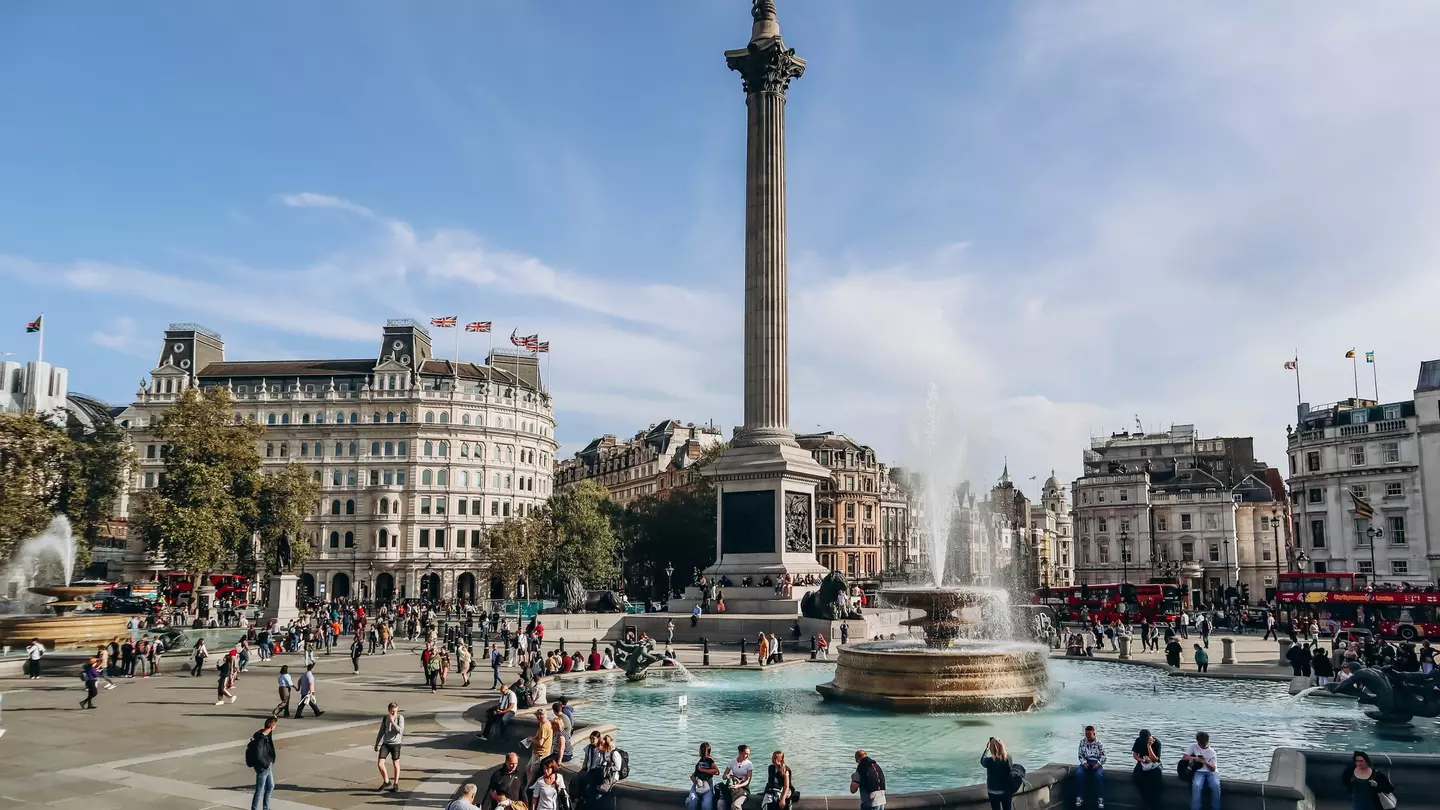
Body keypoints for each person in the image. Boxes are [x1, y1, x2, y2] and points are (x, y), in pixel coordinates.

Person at [246, 717, 278, 810]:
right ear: (272, 727)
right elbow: (259, 755)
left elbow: (267, 730)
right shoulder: (261, 740)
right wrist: (266, 764)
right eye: (275, 726)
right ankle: (254, 808)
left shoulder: (266, 734)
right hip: (263, 767)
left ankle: (266, 807)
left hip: (268, 765)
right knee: (260, 790)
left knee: (270, 786)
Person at [1183, 732, 1219, 810]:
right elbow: (1184, 757)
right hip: (1199, 771)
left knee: (1215, 786)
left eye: (1203, 743)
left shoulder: (1212, 752)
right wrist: (1195, 758)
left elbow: (1213, 768)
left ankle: (1215, 808)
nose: (1202, 745)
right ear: (1197, 741)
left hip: (1210, 772)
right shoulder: (1193, 747)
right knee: (1196, 785)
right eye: (1200, 743)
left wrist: (1205, 762)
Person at [375, 702, 404, 792]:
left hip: (396, 744)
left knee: (396, 763)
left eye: (395, 711)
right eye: (392, 711)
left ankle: (396, 783)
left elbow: (400, 730)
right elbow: (381, 731)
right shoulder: (385, 718)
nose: (393, 713)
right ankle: (386, 781)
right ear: (388, 710)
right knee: (380, 763)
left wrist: (393, 722)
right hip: (386, 743)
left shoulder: (400, 718)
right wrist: (377, 743)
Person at [1131, 730, 1164, 810]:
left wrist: (1149, 746)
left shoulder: (1157, 743)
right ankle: (1146, 800)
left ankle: (1154, 802)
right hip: (1142, 763)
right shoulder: (1138, 741)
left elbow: (1156, 759)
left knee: (1156, 778)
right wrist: (1142, 760)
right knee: (1137, 777)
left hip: (1153, 765)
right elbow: (1135, 755)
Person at [1075, 725, 1106, 809]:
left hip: (1096, 763)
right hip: (1086, 762)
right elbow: (1080, 755)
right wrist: (1084, 763)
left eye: (1089, 735)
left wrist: (1098, 764)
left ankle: (1100, 798)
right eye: (1086, 735)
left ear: (1094, 733)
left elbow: (1103, 756)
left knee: (1099, 776)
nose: (1088, 737)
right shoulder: (1082, 742)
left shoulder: (1099, 743)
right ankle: (1079, 797)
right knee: (1079, 774)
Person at [981, 738, 1013, 810]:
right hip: (1006, 791)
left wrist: (986, 749)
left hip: (993, 791)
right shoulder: (1008, 759)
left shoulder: (988, 761)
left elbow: (982, 761)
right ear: (1003, 746)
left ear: (991, 748)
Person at [722, 745, 755, 810]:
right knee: (721, 804)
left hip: (743, 788)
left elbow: (748, 780)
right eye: (745, 754)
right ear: (740, 752)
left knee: (735, 806)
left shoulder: (749, 764)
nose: (747, 756)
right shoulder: (732, 762)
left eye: (748, 754)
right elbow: (724, 776)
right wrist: (726, 776)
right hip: (733, 786)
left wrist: (738, 786)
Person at [526, 708, 554, 782]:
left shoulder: (544, 726)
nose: (538, 717)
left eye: (539, 716)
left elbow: (540, 743)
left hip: (540, 754)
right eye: (537, 716)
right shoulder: (546, 723)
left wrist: (531, 739)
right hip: (539, 752)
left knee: (532, 771)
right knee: (528, 768)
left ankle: (528, 787)